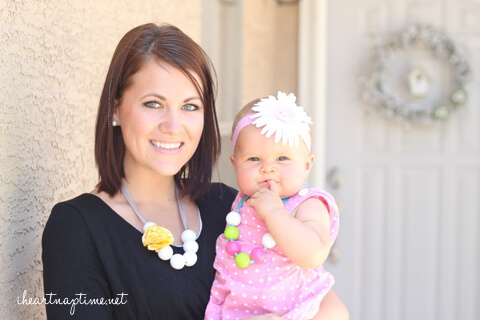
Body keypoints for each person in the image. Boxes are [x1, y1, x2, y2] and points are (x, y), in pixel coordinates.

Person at [42, 23, 348, 320]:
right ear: (115, 108)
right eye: (152, 103)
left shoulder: (232, 207)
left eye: (190, 107)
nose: (173, 126)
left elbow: (331, 308)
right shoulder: (76, 227)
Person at [204, 92, 342, 320]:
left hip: (291, 312)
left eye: (282, 159)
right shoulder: (240, 205)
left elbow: (313, 254)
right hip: (233, 311)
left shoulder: (307, 203)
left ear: (307, 165)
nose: (268, 168)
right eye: (254, 159)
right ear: (235, 164)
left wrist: (275, 212)